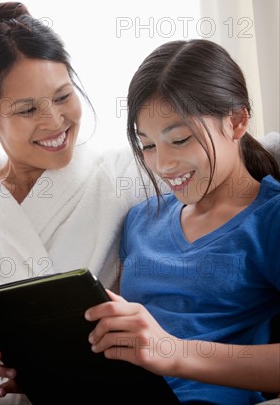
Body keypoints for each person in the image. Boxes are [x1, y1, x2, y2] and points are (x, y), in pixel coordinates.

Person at [0, 2, 162, 404]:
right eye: (28, 109)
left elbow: (231, 162)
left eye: (63, 96)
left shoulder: (120, 176)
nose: (54, 121)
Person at [83, 39, 280, 405]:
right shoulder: (141, 220)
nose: (164, 165)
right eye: (149, 145)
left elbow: (162, 349)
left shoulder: (270, 219)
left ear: (236, 120)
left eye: (179, 139)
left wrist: (175, 352)